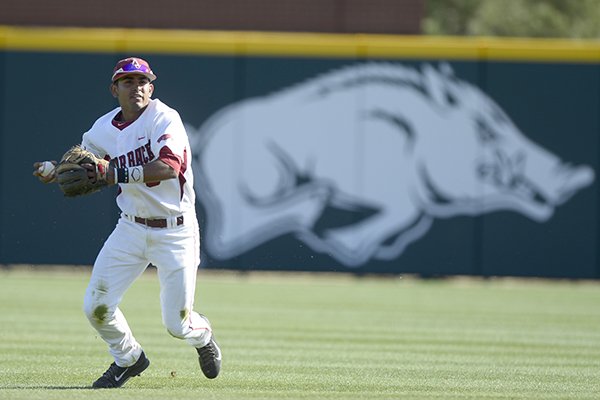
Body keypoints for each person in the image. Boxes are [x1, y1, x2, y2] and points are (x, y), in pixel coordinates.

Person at [33, 57, 221, 389]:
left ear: (151, 87)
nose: (136, 87)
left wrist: (112, 173)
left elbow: (169, 167)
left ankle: (203, 336)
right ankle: (129, 358)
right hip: (131, 227)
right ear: (114, 89)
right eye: (127, 81)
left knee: (177, 325)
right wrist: (55, 167)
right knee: (97, 306)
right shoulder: (104, 127)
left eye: (142, 81)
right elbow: (82, 157)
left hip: (175, 230)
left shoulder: (164, 118)